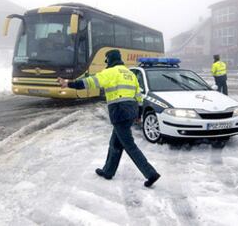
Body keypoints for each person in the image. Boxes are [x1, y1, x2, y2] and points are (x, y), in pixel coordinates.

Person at [57, 49, 160, 188]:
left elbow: (89, 82)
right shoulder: (129, 74)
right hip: (131, 110)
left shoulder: (110, 72)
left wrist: (68, 84)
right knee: (115, 143)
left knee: (129, 145)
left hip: (119, 111)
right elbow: (138, 95)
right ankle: (108, 171)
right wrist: (138, 114)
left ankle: (150, 173)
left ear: (109, 60)